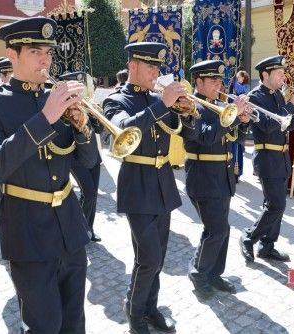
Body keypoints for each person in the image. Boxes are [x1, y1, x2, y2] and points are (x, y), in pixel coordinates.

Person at [0, 17, 99, 332]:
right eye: (34, 51)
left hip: (69, 225)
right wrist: (46, 118)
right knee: (44, 324)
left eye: (48, 51)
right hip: (27, 228)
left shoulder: (54, 98)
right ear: (12, 55)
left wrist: (83, 127)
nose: (45, 59)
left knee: (74, 321)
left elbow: (88, 162)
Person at [104, 41, 197, 334]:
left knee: (158, 255)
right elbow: (122, 130)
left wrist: (186, 112)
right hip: (137, 183)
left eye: (158, 66)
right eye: (150, 66)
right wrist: (163, 104)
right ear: (132, 66)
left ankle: (150, 307)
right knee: (149, 257)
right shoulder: (116, 99)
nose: (156, 72)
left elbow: (187, 134)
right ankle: (134, 310)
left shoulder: (158, 97)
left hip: (163, 182)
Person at [184, 60, 250, 298]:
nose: (218, 85)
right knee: (216, 230)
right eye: (213, 81)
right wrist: (233, 116)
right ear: (198, 82)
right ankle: (198, 273)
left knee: (222, 229)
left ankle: (214, 273)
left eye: (220, 80)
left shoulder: (219, 105)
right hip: (202, 176)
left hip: (222, 176)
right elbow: (207, 137)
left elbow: (235, 138)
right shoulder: (190, 107)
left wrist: (243, 122)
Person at [239, 55, 294, 263]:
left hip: (281, 156)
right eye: (279, 73)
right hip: (267, 158)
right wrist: (291, 105)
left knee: (274, 204)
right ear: (265, 74)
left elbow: (284, 125)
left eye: (283, 72)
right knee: (276, 205)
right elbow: (268, 125)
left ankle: (267, 246)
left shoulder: (277, 95)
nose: (283, 76)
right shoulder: (254, 97)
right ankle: (249, 238)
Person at [60, 71, 104, 242]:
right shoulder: (62, 111)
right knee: (90, 194)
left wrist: (94, 113)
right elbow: (65, 136)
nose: (77, 95)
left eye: (79, 91)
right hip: (76, 158)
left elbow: (99, 130)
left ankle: (88, 229)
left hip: (94, 155)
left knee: (90, 197)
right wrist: (76, 120)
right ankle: (80, 228)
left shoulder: (86, 105)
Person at [231, 70, 251, 183]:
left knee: (238, 146)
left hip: (241, 114)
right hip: (234, 114)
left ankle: (237, 171)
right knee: (234, 146)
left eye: (239, 76)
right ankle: (234, 171)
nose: (237, 78)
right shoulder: (236, 85)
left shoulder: (244, 87)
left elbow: (241, 93)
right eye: (237, 76)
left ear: (243, 78)